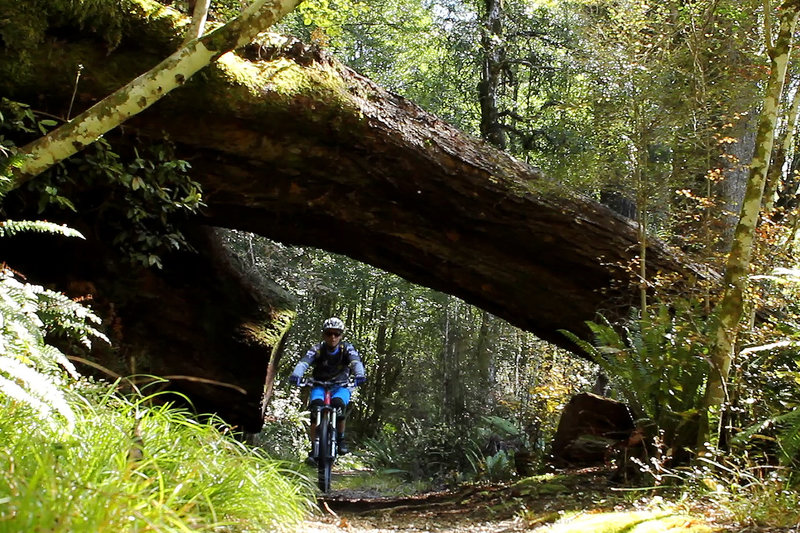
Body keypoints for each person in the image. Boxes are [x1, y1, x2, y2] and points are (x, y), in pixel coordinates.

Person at [289, 317, 366, 459]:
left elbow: (355, 361)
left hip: (341, 386)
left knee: (339, 405)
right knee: (315, 409)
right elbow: (304, 362)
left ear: (341, 335)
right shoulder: (317, 349)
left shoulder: (347, 349)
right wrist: (296, 374)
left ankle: (341, 440)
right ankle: (314, 447)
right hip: (319, 385)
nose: (333, 337)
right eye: (329, 333)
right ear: (324, 334)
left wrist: (359, 374)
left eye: (336, 334)